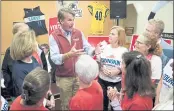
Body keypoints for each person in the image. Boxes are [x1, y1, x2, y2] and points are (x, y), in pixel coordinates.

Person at [49, 8, 95, 110]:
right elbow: (55, 58)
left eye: (73, 20)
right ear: (61, 21)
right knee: (66, 105)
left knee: (78, 103)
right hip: (64, 78)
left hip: (79, 76)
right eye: (69, 20)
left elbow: (87, 48)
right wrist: (68, 55)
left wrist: (94, 51)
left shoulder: (78, 33)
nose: (72, 23)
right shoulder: (54, 36)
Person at [96, 26, 128, 111]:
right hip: (102, 80)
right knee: (103, 104)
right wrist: (102, 68)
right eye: (110, 33)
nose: (109, 35)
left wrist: (117, 71)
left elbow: (125, 67)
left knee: (115, 104)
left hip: (116, 82)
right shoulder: (104, 47)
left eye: (113, 34)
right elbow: (99, 62)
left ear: (119, 37)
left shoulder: (124, 51)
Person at [1, 23, 30, 97]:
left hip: (34, 91)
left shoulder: (33, 49)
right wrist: (11, 87)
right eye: (23, 33)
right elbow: (5, 70)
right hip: (17, 93)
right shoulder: (10, 51)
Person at [10, 30, 40, 97]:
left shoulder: (33, 59)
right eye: (34, 41)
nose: (36, 43)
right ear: (27, 45)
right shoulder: (19, 69)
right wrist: (45, 101)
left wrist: (49, 95)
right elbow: (25, 96)